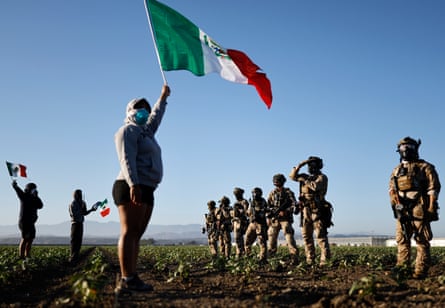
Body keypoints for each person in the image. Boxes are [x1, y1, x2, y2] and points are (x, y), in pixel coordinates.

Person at [112, 84, 171, 292]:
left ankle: (132, 276)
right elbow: (126, 159)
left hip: (147, 187)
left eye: (146, 108)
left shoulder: (146, 132)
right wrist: (133, 184)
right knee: (129, 232)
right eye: (139, 108)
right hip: (130, 186)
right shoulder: (127, 131)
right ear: (130, 111)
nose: (144, 111)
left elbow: (155, 117)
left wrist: (162, 98)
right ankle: (127, 278)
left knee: (137, 234)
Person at [389, 137, 441, 279]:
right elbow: (392, 190)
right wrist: (396, 207)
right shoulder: (397, 170)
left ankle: (420, 271)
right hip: (402, 209)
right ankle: (402, 269)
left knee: (422, 240)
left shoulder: (425, 167)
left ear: (415, 148)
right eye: (403, 147)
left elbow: (433, 189)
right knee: (402, 240)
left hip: (419, 208)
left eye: (409, 147)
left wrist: (431, 207)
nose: (406, 150)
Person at [289, 156, 333, 266]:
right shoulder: (305, 176)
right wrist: (300, 165)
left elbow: (315, 187)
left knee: (320, 236)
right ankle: (310, 259)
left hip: (317, 210)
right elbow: (292, 176)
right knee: (306, 236)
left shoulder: (322, 177)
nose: (310, 167)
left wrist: (306, 180)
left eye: (312, 165)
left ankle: (324, 260)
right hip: (305, 210)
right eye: (309, 165)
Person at [266, 174, 299, 263]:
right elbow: (267, 206)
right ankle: (271, 258)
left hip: (285, 219)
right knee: (271, 238)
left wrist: (286, 211)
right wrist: (271, 214)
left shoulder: (288, 192)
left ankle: (294, 257)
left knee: (289, 238)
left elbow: (294, 205)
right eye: (275, 180)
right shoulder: (272, 193)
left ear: (282, 181)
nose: (276, 182)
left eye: (278, 180)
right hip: (275, 219)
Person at [11, 180, 44, 259]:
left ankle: (27, 255)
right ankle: (21, 256)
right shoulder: (24, 196)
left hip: (31, 223)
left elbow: (40, 206)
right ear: (29, 189)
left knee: (31, 238)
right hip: (24, 222)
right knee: (25, 238)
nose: (35, 190)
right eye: (33, 189)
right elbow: (18, 191)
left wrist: (36, 196)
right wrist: (15, 186)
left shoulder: (34, 198)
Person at [68, 189, 99, 264]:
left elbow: (84, 213)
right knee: (74, 241)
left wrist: (91, 209)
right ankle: (72, 258)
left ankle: (76, 258)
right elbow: (74, 215)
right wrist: (82, 210)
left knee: (79, 242)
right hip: (75, 224)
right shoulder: (73, 204)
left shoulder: (82, 203)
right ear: (75, 195)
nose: (81, 196)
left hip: (80, 224)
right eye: (79, 194)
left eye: (81, 195)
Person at [245, 187, 268, 263]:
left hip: (260, 224)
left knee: (262, 242)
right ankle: (248, 256)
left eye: (256, 193)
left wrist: (258, 213)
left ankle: (263, 258)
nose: (254, 194)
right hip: (252, 224)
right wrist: (248, 212)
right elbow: (248, 212)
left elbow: (265, 211)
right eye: (253, 193)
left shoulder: (263, 201)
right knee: (247, 240)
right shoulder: (252, 202)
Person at [231, 187, 249, 259]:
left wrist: (238, 212)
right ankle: (239, 253)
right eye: (235, 194)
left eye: (237, 194)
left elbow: (245, 211)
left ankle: (244, 253)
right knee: (237, 239)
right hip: (236, 222)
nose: (236, 195)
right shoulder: (235, 203)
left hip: (242, 222)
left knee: (243, 239)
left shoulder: (244, 201)